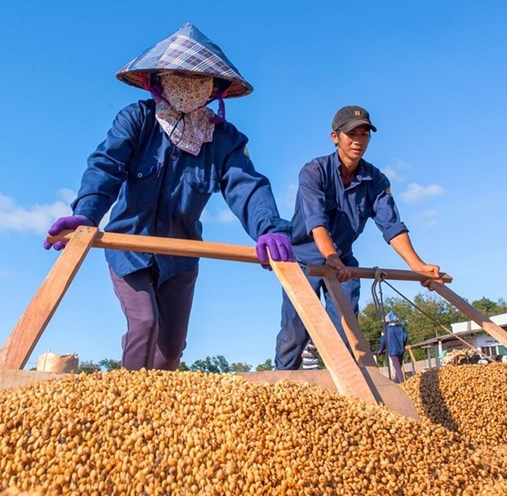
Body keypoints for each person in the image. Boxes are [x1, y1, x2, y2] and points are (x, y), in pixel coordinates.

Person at [44, 23, 294, 371]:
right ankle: (128, 405)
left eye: (199, 79)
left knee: (172, 347)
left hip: (181, 254)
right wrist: (87, 213)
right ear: (158, 80)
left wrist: (269, 227)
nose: (189, 86)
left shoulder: (223, 139)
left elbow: (246, 185)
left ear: (213, 87)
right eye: (179, 76)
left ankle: (162, 414)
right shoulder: (137, 120)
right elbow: (107, 166)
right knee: (145, 324)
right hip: (129, 247)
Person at [274, 105, 443, 370]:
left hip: (342, 259)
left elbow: (392, 226)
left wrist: (417, 266)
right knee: (294, 332)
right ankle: (283, 381)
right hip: (304, 259)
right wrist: (330, 258)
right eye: (351, 134)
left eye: (364, 134)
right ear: (335, 137)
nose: (358, 141)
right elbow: (316, 222)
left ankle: (343, 384)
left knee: (347, 331)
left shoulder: (375, 179)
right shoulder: (314, 172)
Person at [376, 311, 409, 383]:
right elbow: (405, 338)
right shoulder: (401, 328)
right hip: (401, 350)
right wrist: (403, 346)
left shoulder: (386, 330)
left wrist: (380, 351)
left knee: (397, 367)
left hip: (393, 351)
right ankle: (396, 382)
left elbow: (383, 342)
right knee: (399, 366)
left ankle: (403, 383)